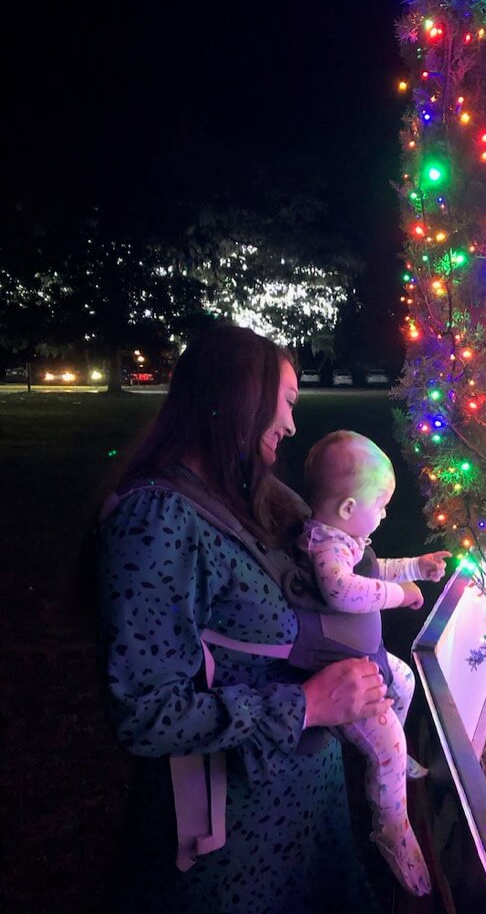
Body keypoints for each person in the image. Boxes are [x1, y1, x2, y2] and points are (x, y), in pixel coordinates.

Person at [96, 324, 393, 914]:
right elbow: (145, 713)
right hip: (232, 846)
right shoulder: (157, 520)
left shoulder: (255, 496)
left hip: (300, 816)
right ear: (239, 397)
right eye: (285, 402)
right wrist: (306, 706)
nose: (290, 424)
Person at [297, 430, 450, 897]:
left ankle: (398, 760)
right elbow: (342, 590)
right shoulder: (326, 549)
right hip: (345, 677)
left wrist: (414, 567)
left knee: (403, 678)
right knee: (384, 745)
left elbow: (372, 571)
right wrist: (400, 596)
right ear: (347, 508)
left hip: (368, 658)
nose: (385, 514)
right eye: (380, 504)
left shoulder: (347, 540)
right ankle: (392, 829)